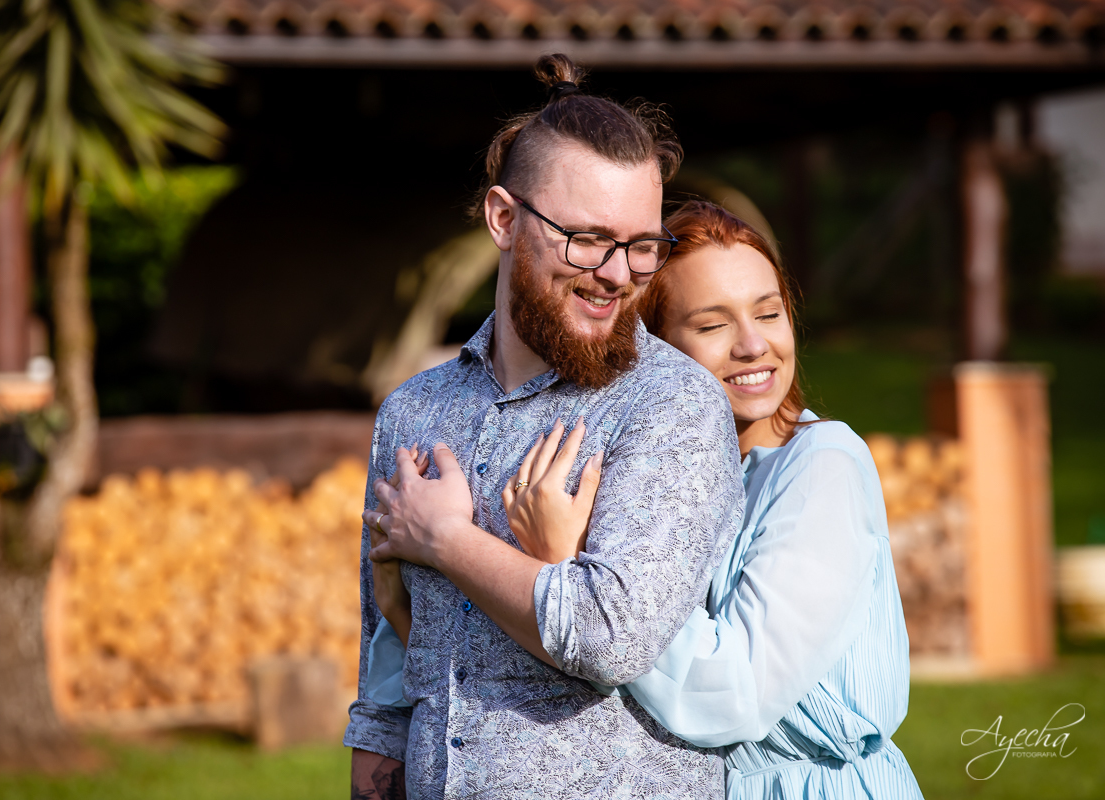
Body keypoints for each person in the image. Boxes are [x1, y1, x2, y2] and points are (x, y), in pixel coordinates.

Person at [369, 200, 924, 798]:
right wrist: (409, 614)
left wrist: (569, 568)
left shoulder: (822, 465)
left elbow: (732, 694)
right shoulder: (652, 471)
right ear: (655, 351)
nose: (752, 345)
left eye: (769, 314)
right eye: (712, 326)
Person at [344, 57, 745, 800]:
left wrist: (448, 542)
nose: (619, 274)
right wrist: (375, 748)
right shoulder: (413, 409)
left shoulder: (671, 407)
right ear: (503, 218)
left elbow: (612, 635)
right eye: (588, 238)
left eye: (642, 245)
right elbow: (389, 632)